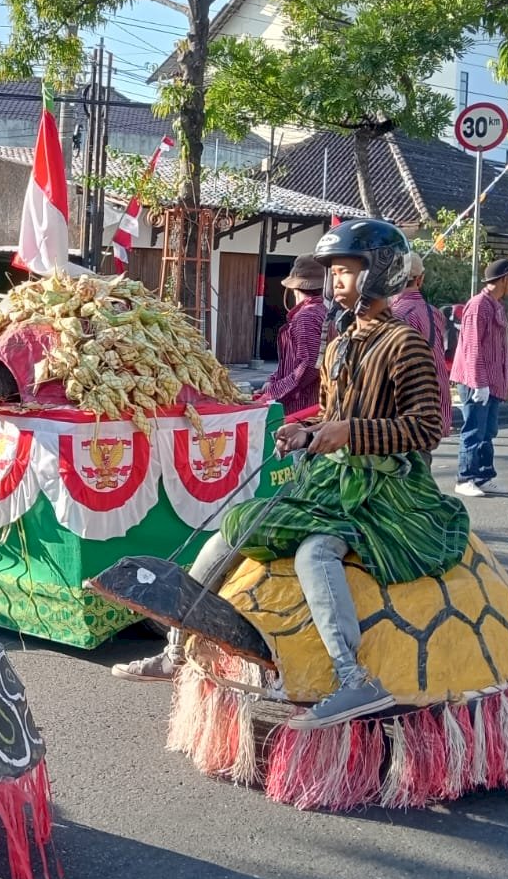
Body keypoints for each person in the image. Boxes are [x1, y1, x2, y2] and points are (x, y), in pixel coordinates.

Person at [114, 220, 468, 729]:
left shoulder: (404, 344)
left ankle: (355, 680)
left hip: (388, 493)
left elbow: (427, 428)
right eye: (335, 273)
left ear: (381, 275)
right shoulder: (339, 343)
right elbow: (331, 412)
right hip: (334, 479)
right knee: (237, 524)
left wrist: (350, 432)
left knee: (315, 550)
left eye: (348, 271)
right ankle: (177, 647)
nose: (337, 282)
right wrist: (308, 432)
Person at [450, 259, 508, 498]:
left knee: (488, 431)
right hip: (477, 381)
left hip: (492, 382)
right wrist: (479, 382)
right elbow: (472, 348)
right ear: (505, 278)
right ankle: (465, 477)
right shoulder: (479, 306)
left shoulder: (496, 305)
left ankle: (483, 476)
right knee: (474, 430)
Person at [391, 252, 452, 440]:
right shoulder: (435, 313)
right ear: (420, 279)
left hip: (403, 415)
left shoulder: (393, 315)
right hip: (433, 407)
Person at [257, 255, 329, 414]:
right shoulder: (322, 312)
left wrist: (274, 391)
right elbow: (291, 365)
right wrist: (273, 381)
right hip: (313, 404)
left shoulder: (306, 317)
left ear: (294, 289)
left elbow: (309, 366)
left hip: (302, 407)